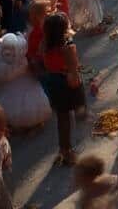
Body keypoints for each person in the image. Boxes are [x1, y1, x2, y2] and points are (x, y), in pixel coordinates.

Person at [40, 11, 85, 166]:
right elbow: (73, 70)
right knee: (76, 109)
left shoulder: (45, 45)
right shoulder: (67, 47)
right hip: (67, 81)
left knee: (62, 116)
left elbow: (47, 66)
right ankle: (68, 152)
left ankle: (63, 149)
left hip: (54, 81)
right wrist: (77, 85)